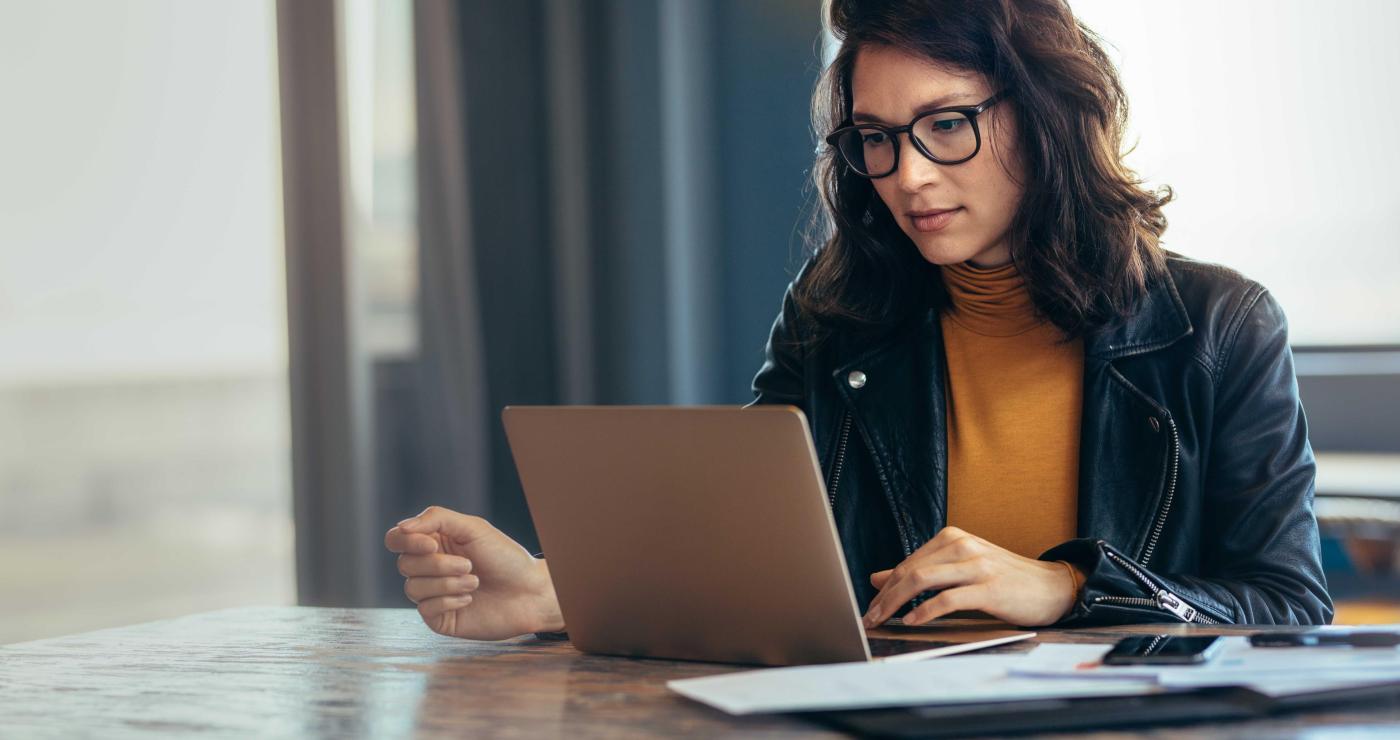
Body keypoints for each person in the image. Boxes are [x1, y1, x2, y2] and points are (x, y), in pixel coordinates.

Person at [384, 0, 1333, 641]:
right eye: (875, 138)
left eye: (947, 124)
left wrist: (1071, 590)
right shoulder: (837, 312)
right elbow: (752, 558)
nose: (908, 175)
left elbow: (1289, 607)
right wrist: (557, 591)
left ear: (1047, 114)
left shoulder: (1218, 326)